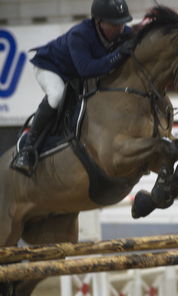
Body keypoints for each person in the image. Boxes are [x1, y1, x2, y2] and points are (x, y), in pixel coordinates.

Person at [12, 0, 135, 176]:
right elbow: (87, 70)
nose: (121, 28)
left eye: (123, 22)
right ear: (99, 21)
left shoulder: (122, 33)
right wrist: (118, 54)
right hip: (51, 67)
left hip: (74, 75)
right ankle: (28, 149)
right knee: (56, 95)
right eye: (115, 24)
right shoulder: (80, 34)